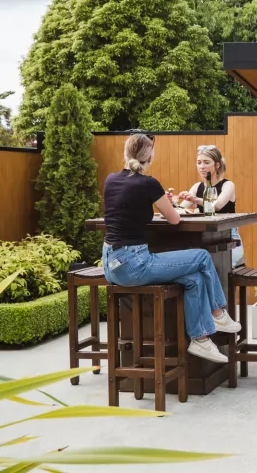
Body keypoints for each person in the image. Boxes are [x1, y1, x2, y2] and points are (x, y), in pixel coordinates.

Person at [101, 132, 240, 364]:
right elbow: (175, 219)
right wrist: (160, 199)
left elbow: (129, 208)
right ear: (150, 156)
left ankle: (201, 340)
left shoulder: (111, 180)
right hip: (135, 265)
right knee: (202, 257)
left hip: (111, 263)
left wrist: (159, 199)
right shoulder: (148, 183)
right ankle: (218, 313)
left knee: (194, 279)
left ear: (126, 154)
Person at [175, 144, 245, 268]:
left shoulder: (227, 185)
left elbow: (217, 206)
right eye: (199, 162)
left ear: (217, 165)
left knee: (214, 264)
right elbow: (181, 209)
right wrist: (171, 202)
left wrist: (195, 200)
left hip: (229, 239)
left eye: (206, 162)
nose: (202, 166)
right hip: (205, 239)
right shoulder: (197, 187)